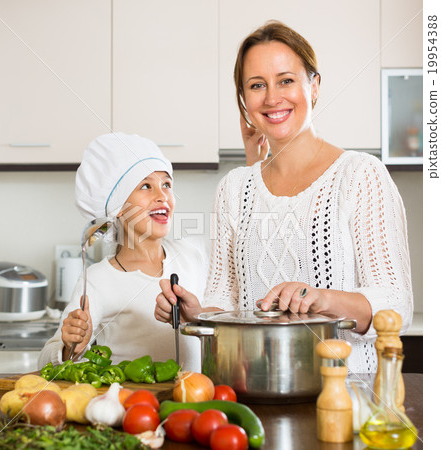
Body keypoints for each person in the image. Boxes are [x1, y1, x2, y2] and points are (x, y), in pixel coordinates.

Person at [155, 20, 413, 374]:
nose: (272, 98)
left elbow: (396, 307)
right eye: (257, 85)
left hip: (346, 397)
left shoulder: (360, 175)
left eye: (286, 80)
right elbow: (224, 302)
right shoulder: (233, 189)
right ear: (244, 101)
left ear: (315, 86)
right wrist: (197, 314)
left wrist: (321, 298)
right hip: (254, 393)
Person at [38, 132, 206, 372]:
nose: (163, 196)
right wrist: (68, 347)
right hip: (134, 407)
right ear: (118, 207)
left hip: (196, 404)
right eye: (146, 186)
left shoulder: (194, 255)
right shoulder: (98, 280)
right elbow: (45, 358)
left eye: (166, 185)